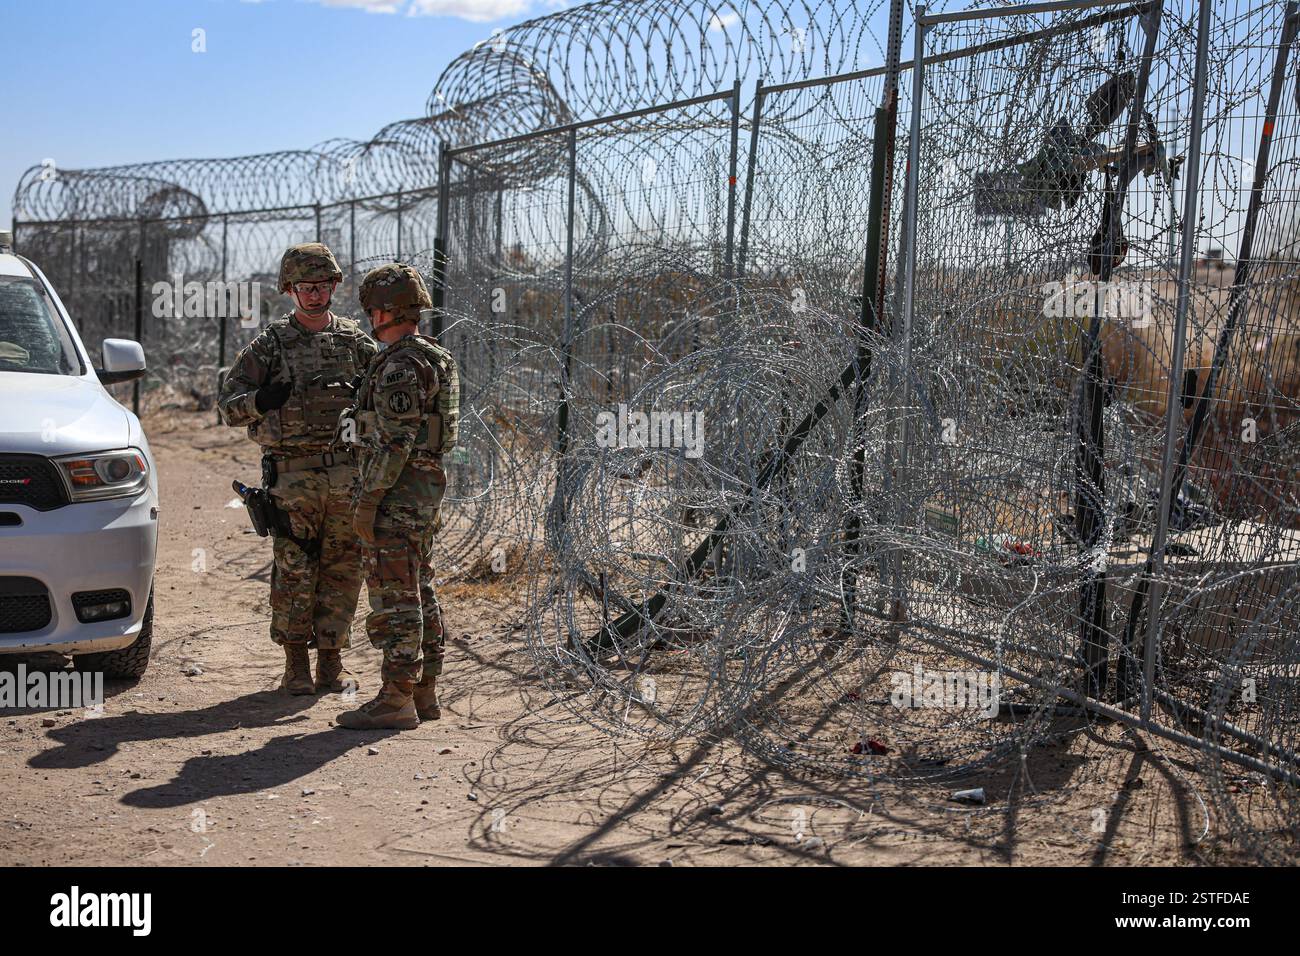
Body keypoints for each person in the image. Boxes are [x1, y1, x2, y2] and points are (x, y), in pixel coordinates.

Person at [218, 243, 377, 695]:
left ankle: (332, 661)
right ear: (291, 290)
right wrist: (260, 401)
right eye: (306, 287)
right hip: (292, 477)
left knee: (344, 569)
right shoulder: (269, 346)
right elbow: (228, 408)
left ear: (333, 287)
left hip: (347, 475)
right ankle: (295, 665)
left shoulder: (354, 342)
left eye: (323, 286)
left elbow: (381, 394)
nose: (315, 294)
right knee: (295, 570)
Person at [336, 263, 459, 730]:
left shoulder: (401, 364)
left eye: (371, 309)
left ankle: (396, 697)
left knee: (395, 597)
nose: (368, 317)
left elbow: (394, 442)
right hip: (421, 493)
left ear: (386, 310)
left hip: (397, 496)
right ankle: (423, 693)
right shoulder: (431, 355)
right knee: (418, 588)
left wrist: (368, 502)